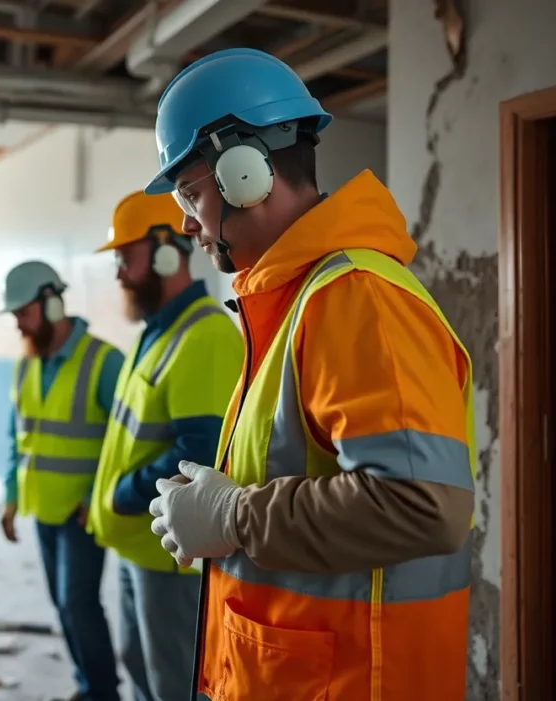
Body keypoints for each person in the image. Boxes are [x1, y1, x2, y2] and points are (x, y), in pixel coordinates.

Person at [143, 48, 476, 701]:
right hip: (298, 674)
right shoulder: (296, 299)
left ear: (247, 173)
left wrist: (235, 515)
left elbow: (423, 506)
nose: (185, 222)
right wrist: (214, 506)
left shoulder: (356, 297)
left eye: (189, 192)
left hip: (354, 680)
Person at [87, 191, 243, 701]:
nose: (118, 273)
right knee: (140, 667)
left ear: (164, 254)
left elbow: (195, 453)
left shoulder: (205, 335)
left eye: (124, 258)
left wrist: (122, 494)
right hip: (140, 545)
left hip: (167, 554)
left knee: (172, 680)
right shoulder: (158, 332)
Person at [0, 260, 124, 701]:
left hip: (81, 511)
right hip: (42, 506)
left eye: (23, 313)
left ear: (51, 303)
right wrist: (11, 496)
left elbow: (124, 442)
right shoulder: (25, 364)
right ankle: (87, 685)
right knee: (62, 605)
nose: (18, 323)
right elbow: (19, 437)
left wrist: (94, 496)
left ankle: (103, 692)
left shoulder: (105, 362)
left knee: (79, 604)